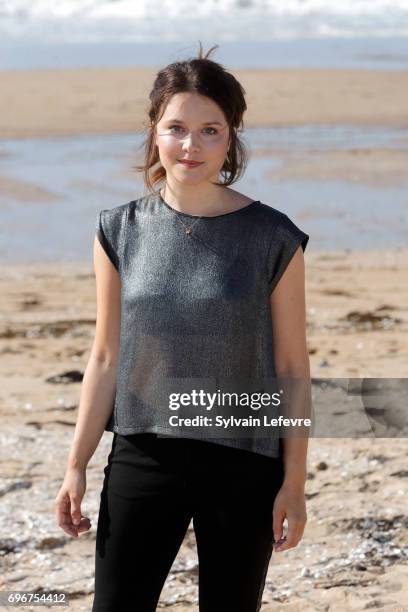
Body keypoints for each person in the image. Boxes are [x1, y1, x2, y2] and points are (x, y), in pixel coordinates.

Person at [54, 41, 310, 612]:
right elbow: (104, 356)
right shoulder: (118, 229)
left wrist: (294, 481)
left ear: (231, 137)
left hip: (244, 460)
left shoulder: (274, 238)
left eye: (210, 130)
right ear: (154, 131)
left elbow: (293, 368)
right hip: (144, 454)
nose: (190, 145)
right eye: (176, 128)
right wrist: (76, 465)